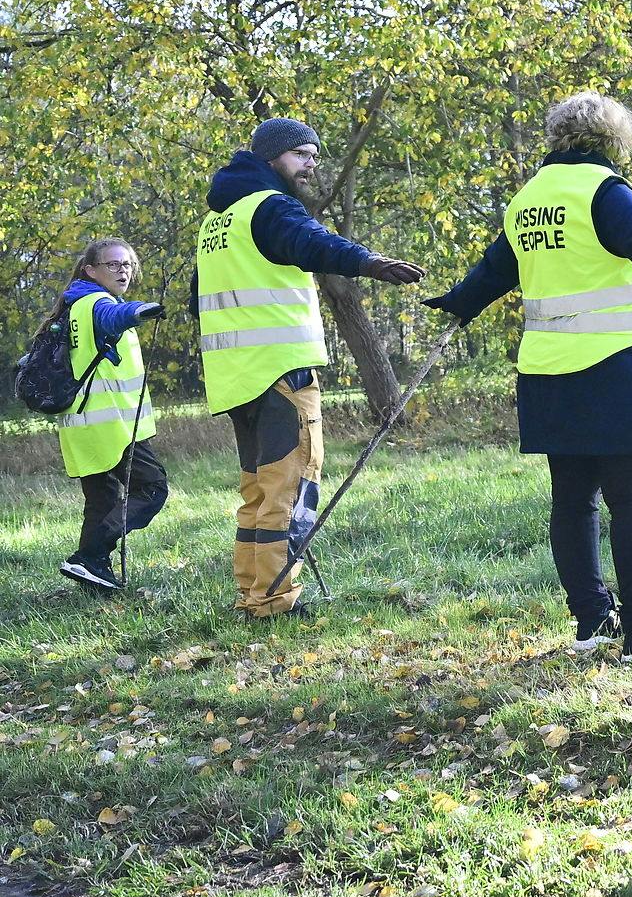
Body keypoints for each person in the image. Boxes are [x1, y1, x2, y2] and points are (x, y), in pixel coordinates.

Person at [423, 93, 632, 660]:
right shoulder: (602, 191)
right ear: (614, 140)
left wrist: (457, 303)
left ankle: (592, 623)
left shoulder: (528, 201)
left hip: (549, 373)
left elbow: (492, 271)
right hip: (619, 364)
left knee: (573, 501)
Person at [195, 117, 424, 618]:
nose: (312, 165)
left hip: (235, 378)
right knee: (289, 488)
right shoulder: (271, 207)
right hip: (281, 371)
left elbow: (201, 304)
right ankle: (276, 601)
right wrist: (371, 262)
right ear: (272, 156)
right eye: (303, 154)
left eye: (315, 156)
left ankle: (253, 595)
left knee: (258, 492)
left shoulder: (217, 223)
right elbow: (312, 242)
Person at [49, 238, 167, 591]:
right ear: (91, 270)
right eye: (113, 265)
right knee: (153, 488)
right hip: (111, 424)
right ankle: (90, 554)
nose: (123, 271)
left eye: (127, 264)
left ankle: (93, 576)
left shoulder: (71, 307)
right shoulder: (96, 303)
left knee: (101, 501)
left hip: (81, 423)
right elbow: (114, 316)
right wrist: (136, 311)